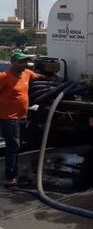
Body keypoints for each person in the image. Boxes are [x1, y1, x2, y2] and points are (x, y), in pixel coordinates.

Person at [0, 51, 48, 188]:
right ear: (13, 62)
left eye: (25, 62)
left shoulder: (27, 73)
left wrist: (52, 79)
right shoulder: (4, 76)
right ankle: (10, 177)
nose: (24, 64)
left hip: (22, 117)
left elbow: (39, 77)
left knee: (17, 146)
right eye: (21, 62)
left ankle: (13, 173)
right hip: (8, 118)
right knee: (13, 146)